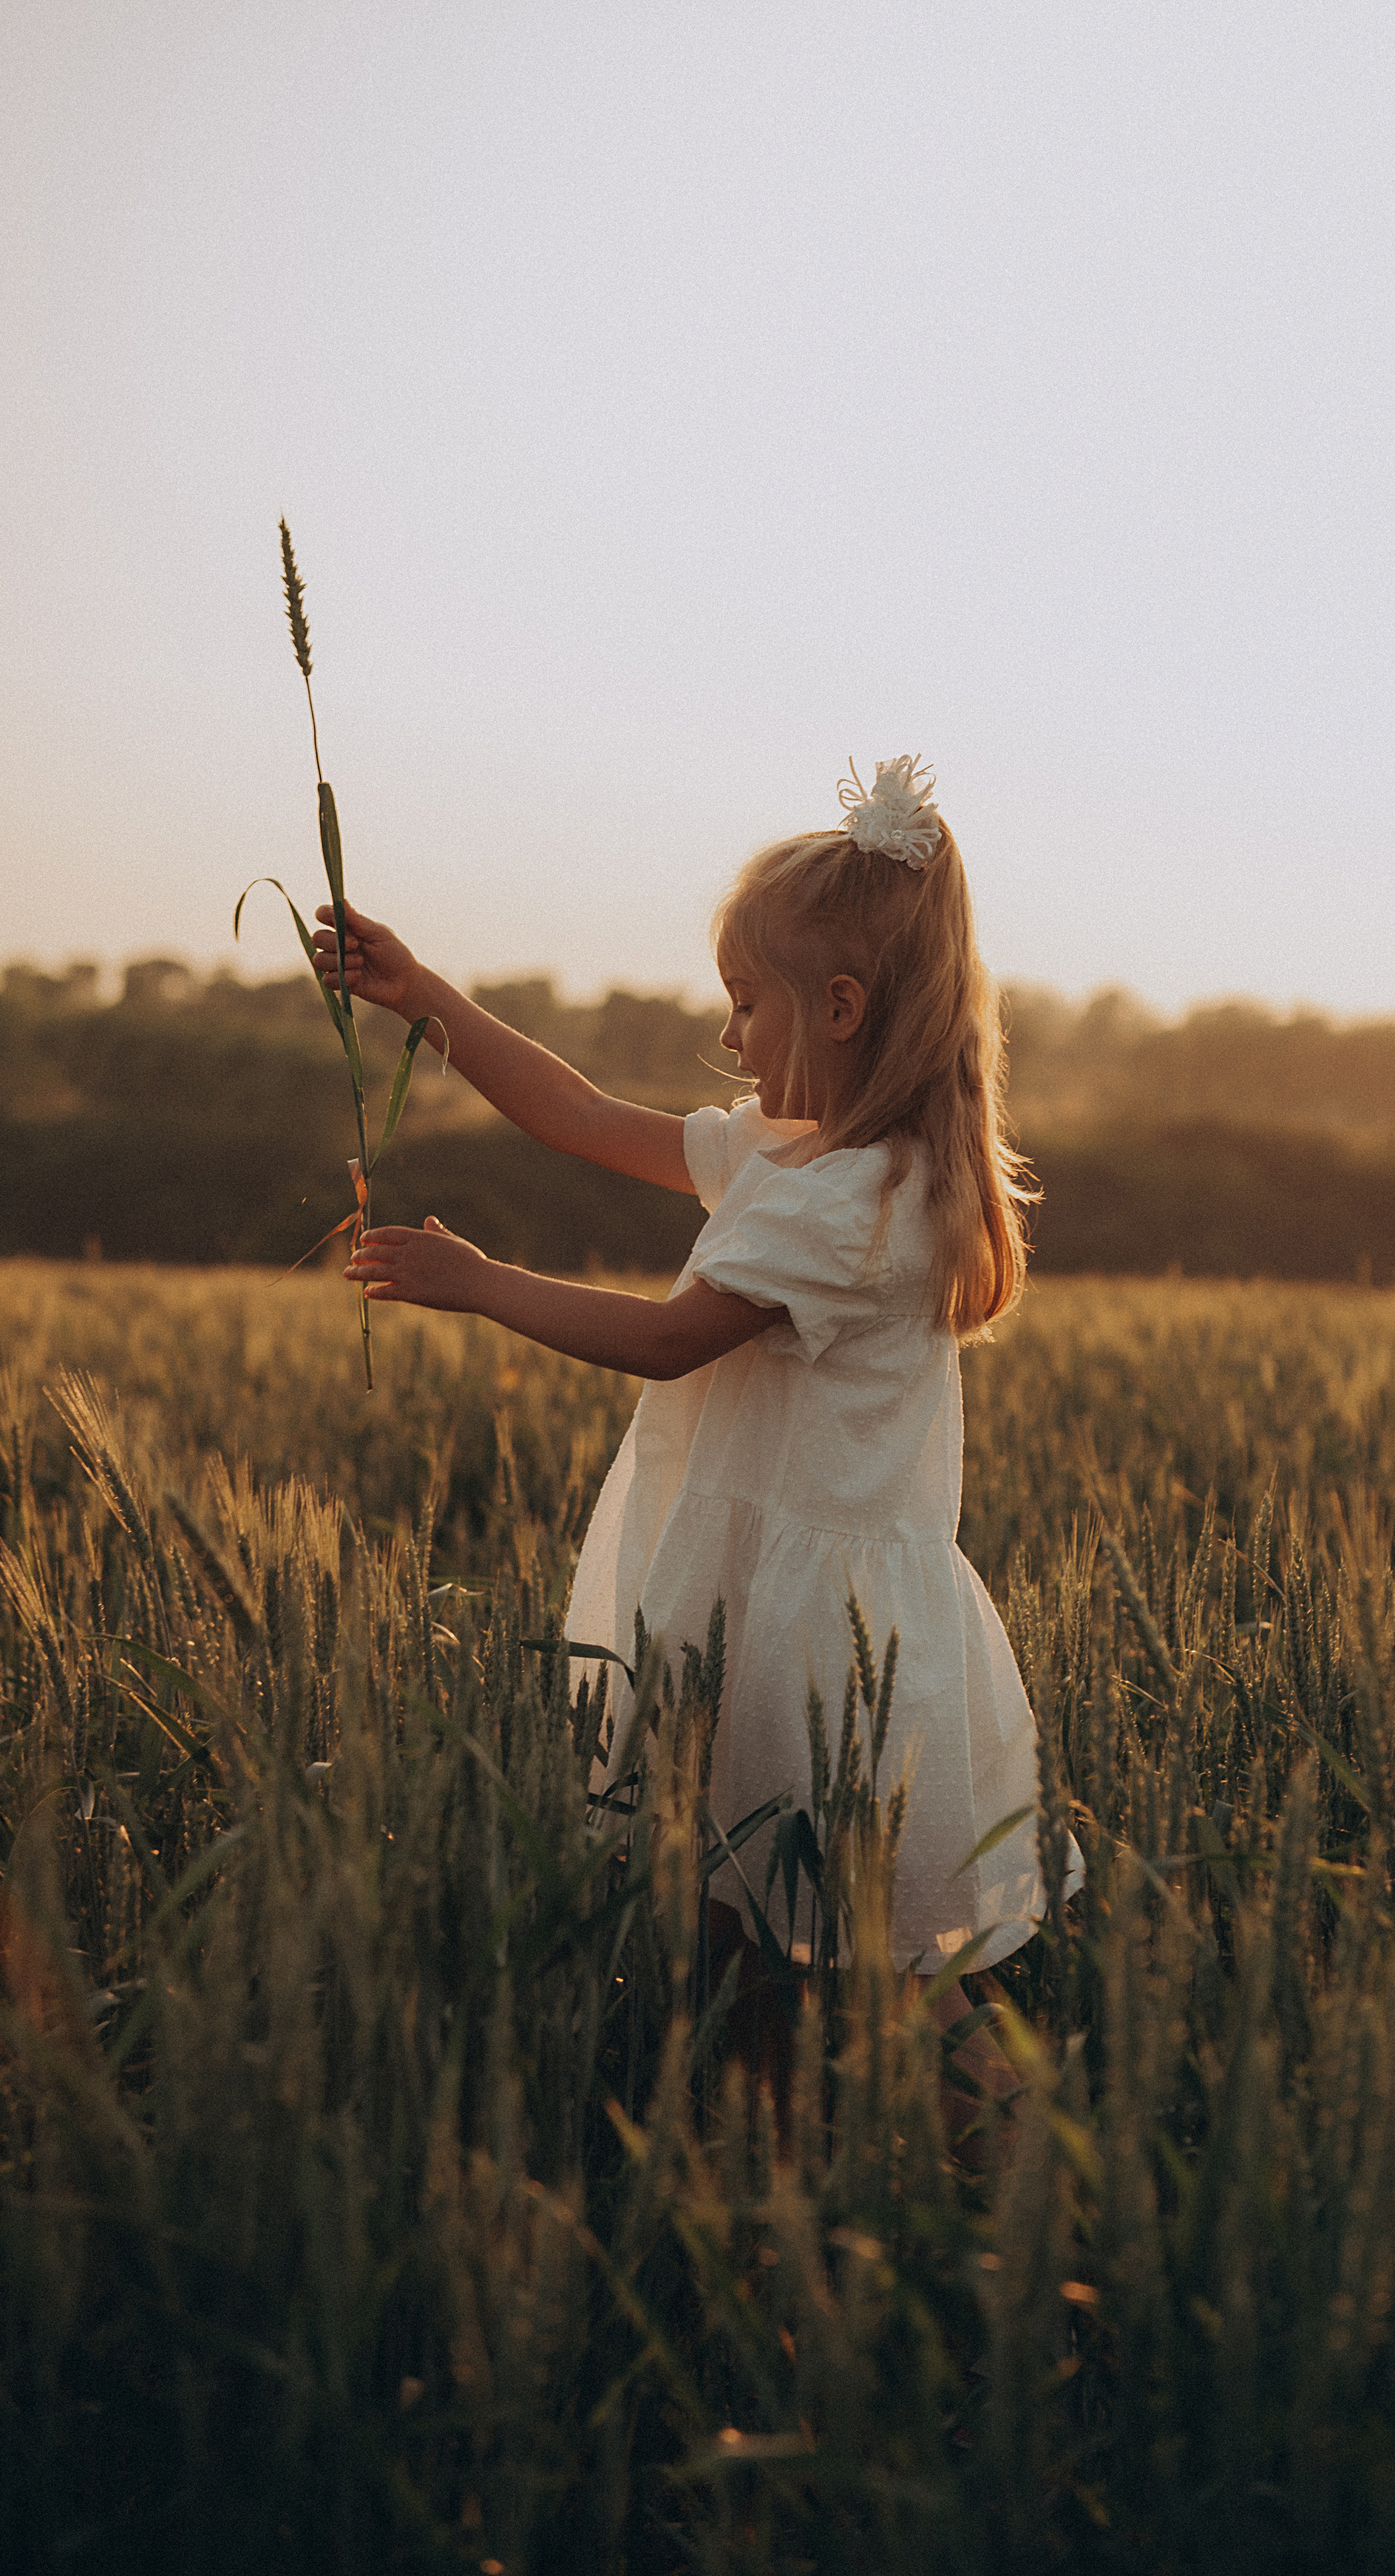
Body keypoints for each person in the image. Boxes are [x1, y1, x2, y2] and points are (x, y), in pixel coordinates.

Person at [317, 755, 1065, 1993]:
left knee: (830, 1959)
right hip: (778, 1596)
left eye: (743, 1005)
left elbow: (670, 1343)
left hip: (800, 1632)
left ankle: (977, 2149)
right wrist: (424, 998)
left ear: (837, 1007)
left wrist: (482, 1281)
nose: (725, 1036)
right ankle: (768, 2148)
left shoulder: (839, 1206)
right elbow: (587, 1117)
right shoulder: (836, 1164)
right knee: (768, 1949)